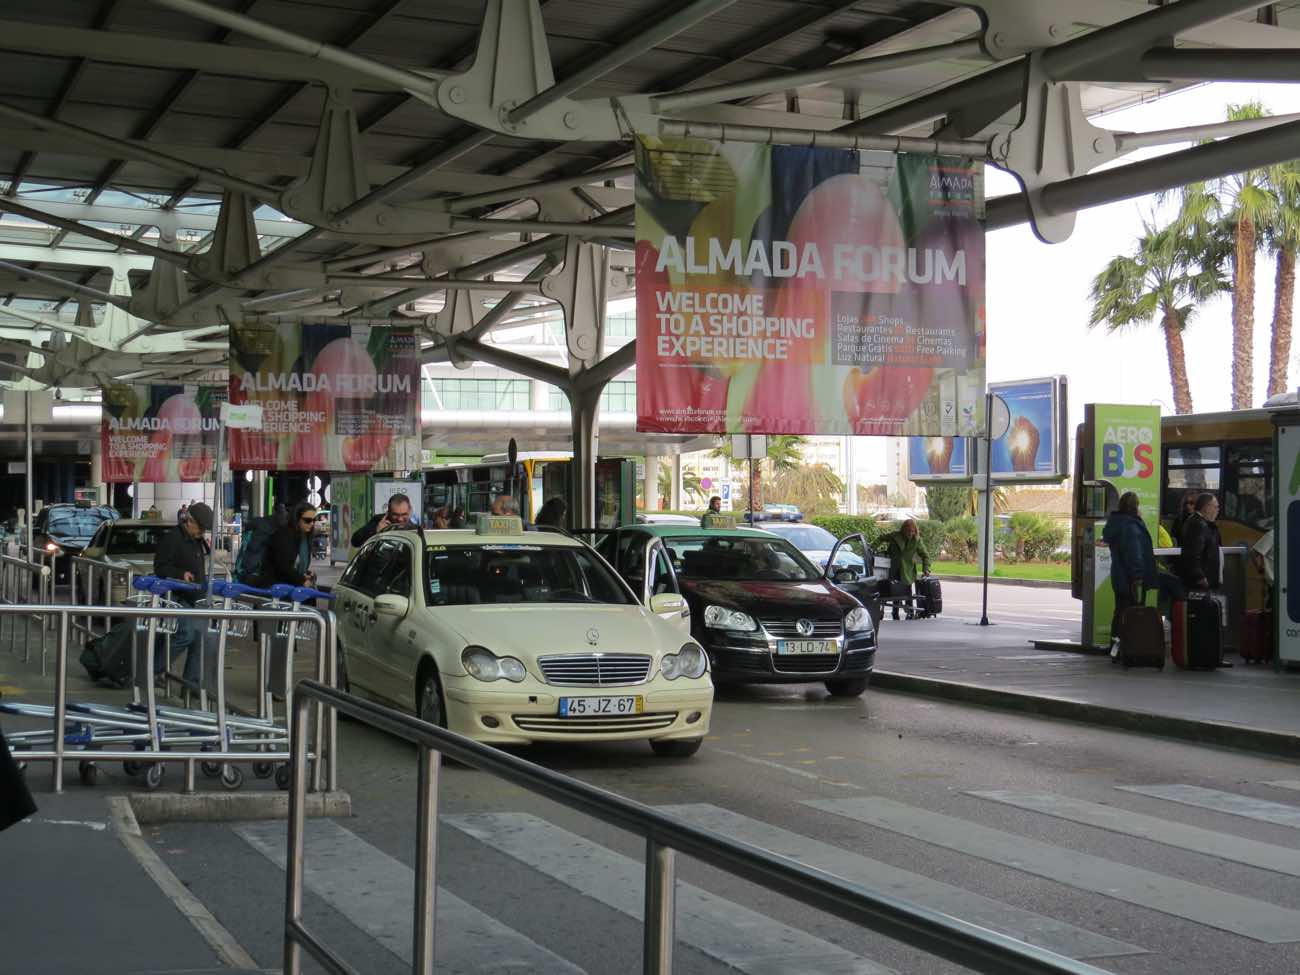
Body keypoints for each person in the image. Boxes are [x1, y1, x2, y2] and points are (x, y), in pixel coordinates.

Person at [154, 501, 213, 685]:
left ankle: (191, 683)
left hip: (194, 596)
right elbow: (160, 567)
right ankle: (154, 669)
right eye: (201, 528)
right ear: (190, 521)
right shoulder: (173, 539)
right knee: (185, 634)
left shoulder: (197, 541)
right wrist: (181, 574)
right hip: (176, 595)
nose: (202, 533)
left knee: (201, 637)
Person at [1101, 492, 1159, 659]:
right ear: (1136, 506)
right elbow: (1134, 554)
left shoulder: (1117, 523)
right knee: (1132, 613)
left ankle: (1116, 647)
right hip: (1131, 579)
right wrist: (1138, 577)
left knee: (1120, 612)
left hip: (1119, 577)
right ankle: (1130, 647)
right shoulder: (1131, 526)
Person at [880, 519, 931, 620]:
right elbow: (880, 538)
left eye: (912, 531)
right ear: (903, 529)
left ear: (915, 530)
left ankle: (910, 612)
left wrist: (926, 569)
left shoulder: (917, 540)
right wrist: (871, 549)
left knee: (907, 591)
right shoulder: (895, 536)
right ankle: (895, 612)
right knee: (894, 591)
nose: (910, 533)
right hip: (894, 568)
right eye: (908, 531)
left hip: (908, 569)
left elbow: (925, 555)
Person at [1177, 493, 1223, 593]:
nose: (1218, 510)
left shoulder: (1201, 523)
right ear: (1206, 507)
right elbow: (1193, 553)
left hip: (1203, 580)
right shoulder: (1198, 525)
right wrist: (1200, 577)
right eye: (1216, 507)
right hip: (1201, 583)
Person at [266, 502, 318, 589]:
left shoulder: (305, 537)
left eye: (314, 520)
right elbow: (283, 567)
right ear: (297, 519)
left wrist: (307, 574)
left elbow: (296, 565)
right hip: (279, 589)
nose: (311, 523)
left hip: (293, 587)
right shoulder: (284, 535)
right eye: (307, 520)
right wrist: (302, 580)